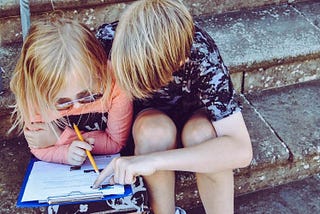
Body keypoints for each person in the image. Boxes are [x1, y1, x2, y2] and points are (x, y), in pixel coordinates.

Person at [94, 0, 253, 214]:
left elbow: (241, 149)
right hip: (147, 124)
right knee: (153, 130)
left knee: (201, 135)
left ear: (180, 61)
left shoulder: (199, 51)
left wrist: (152, 161)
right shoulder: (107, 41)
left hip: (195, 118)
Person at [9, 15, 133, 165]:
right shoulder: (33, 97)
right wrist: (66, 153)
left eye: (88, 96)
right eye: (62, 103)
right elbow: (39, 147)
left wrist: (60, 138)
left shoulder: (116, 84)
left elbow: (116, 143)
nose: (78, 106)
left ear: (101, 70)